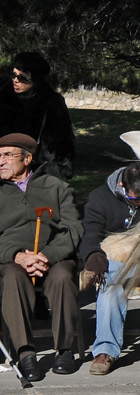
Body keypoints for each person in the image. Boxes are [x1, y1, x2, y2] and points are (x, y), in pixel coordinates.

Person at [0, 132, 82, 379]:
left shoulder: (56, 188)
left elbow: (73, 228)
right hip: (11, 261)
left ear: (27, 159)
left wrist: (46, 255)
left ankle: (64, 349)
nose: (0, 161)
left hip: (53, 257)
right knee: (13, 278)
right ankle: (25, 353)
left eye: (7, 155)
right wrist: (16, 255)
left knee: (62, 278)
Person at [80, 161, 140, 375]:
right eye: (134, 198)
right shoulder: (100, 198)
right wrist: (93, 256)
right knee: (109, 285)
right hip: (116, 261)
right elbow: (91, 233)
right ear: (122, 185)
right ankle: (105, 352)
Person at [0, 52, 76, 180]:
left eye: (23, 78)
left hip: (39, 172)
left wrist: (63, 169)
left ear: (36, 80)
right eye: (13, 75)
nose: (16, 80)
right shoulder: (3, 97)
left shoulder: (51, 102)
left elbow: (64, 140)